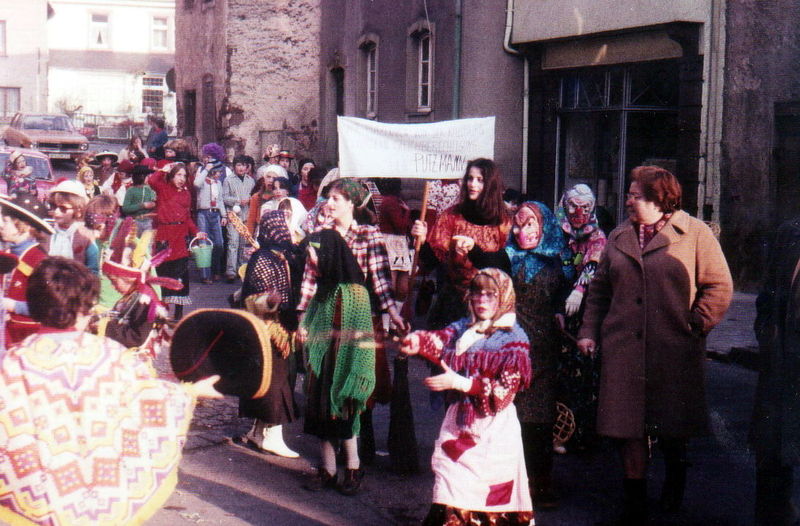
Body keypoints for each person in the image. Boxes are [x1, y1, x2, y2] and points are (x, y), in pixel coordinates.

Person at [0, 257, 222, 526]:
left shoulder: (14, 362)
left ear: (33, 306)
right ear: (86, 308)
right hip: (102, 492)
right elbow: (148, 399)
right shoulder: (111, 354)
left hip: (37, 494)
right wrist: (190, 392)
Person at [577, 166, 733, 524]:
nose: (628, 200)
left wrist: (695, 325)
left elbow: (719, 286)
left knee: (671, 427)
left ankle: (675, 477)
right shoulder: (618, 236)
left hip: (672, 350)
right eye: (629, 194)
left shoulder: (695, 234)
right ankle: (634, 498)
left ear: (659, 200)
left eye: (635, 195)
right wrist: (588, 331)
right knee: (627, 427)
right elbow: (599, 292)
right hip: (623, 352)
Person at [400, 268, 534, 526]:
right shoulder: (464, 328)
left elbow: (504, 394)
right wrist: (417, 341)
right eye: (477, 294)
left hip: (494, 432)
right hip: (459, 424)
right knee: (450, 488)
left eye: (490, 295)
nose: (482, 301)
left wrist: (460, 382)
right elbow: (439, 339)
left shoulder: (515, 339)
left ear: (504, 297)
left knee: (489, 500)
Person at [298, 178, 406, 490]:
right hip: (324, 319)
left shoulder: (368, 234)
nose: (329, 204)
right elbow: (309, 281)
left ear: (352, 205)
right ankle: (328, 469)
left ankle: (354, 466)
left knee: (348, 391)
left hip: (357, 320)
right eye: (327, 197)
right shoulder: (318, 235)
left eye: (336, 198)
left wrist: (394, 313)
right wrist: (302, 318)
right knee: (320, 389)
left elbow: (381, 282)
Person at [298, 229, 377, 495]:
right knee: (321, 414)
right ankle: (328, 469)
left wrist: (360, 371)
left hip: (345, 363)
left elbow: (362, 335)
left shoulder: (356, 293)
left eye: (314, 256)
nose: (311, 262)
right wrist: (305, 328)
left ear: (329, 256)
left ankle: (353, 467)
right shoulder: (325, 289)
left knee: (344, 413)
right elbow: (312, 315)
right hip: (324, 360)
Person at [502, 201, 568, 510]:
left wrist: (563, 310)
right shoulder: (506, 258)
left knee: (539, 420)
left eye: (529, 225)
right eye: (517, 225)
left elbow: (568, 297)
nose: (522, 231)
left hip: (543, 350)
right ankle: (509, 481)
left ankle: (540, 482)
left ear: (543, 228)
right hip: (510, 348)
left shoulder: (558, 261)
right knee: (509, 418)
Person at [238, 210, 306, 458]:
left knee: (277, 380)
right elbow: (251, 297)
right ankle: (273, 436)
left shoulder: (285, 256)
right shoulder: (263, 258)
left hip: (282, 327)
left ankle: (258, 432)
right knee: (277, 382)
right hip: (268, 330)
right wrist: (270, 300)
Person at [413, 158, 511, 330]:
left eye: (480, 180)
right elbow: (432, 258)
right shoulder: (452, 215)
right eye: (469, 178)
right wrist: (421, 238)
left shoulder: (504, 221)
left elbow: (506, 263)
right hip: (454, 305)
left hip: (490, 307)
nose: (472, 184)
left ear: (491, 184)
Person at [751, 215, 800, 525]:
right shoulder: (790, 233)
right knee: (772, 455)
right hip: (784, 367)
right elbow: (767, 298)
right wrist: (768, 335)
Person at [555, 184, 607, 453]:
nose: (578, 212)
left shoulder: (596, 236)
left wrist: (578, 291)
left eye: (585, 207)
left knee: (582, 372)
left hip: (582, 311)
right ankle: (558, 430)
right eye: (573, 205)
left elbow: (593, 264)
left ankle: (581, 432)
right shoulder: (555, 231)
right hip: (556, 305)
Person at [148, 162, 206, 319]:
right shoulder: (163, 188)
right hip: (164, 234)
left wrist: (196, 232)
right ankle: (161, 312)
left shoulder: (186, 194)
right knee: (163, 273)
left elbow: (187, 217)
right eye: (178, 175)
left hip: (180, 236)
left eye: (184, 175)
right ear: (172, 176)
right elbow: (152, 181)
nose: (182, 178)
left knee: (180, 273)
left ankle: (179, 313)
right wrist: (162, 170)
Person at [0, 195, 53, 344]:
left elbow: (48, 305)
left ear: (25, 226)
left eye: (6, 221)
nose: (1, 225)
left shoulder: (40, 260)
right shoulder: (7, 253)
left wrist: (10, 305)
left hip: (26, 338)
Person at [46, 179, 97, 273]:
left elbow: (93, 270)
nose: (56, 212)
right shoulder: (47, 233)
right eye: (54, 206)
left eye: (63, 208)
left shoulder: (85, 236)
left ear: (78, 211)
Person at [376, 178, 412, 306]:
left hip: (396, 243)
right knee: (395, 279)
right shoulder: (391, 201)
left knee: (396, 279)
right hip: (393, 242)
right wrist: (407, 213)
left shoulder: (390, 200)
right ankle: (394, 313)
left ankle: (394, 313)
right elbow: (400, 226)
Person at [193, 151, 227, 284]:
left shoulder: (218, 184)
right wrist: (205, 169)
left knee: (219, 244)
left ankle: (215, 270)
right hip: (203, 213)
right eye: (219, 172)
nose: (220, 174)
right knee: (204, 243)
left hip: (215, 214)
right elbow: (196, 184)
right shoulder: (203, 181)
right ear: (213, 171)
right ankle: (205, 275)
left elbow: (220, 200)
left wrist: (223, 215)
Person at [222, 154, 255, 282]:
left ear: (247, 167)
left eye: (244, 165)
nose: (241, 168)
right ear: (234, 166)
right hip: (233, 216)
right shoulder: (228, 180)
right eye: (238, 165)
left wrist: (249, 201)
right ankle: (230, 271)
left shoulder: (250, 180)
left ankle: (241, 268)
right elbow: (224, 198)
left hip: (246, 216)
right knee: (233, 243)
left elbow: (254, 196)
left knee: (242, 244)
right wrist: (238, 201)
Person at [122, 164, 158, 232]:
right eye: (147, 176)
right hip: (135, 221)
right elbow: (125, 208)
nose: (149, 177)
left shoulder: (149, 190)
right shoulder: (131, 190)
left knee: (147, 240)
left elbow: (154, 203)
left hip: (148, 221)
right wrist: (142, 205)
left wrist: (153, 204)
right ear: (141, 177)